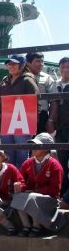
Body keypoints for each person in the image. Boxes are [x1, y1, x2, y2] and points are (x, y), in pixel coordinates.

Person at [10, 133, 65, 237]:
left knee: (32, 197)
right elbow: (22, 181)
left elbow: (55, 190)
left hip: (50, 199)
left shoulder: (55, 165)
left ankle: (36, 226)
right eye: (33, 145)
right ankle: (26, 225)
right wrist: (19, 186)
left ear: (47, 148)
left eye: (37, 145)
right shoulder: (27, 163)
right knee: (17, 196)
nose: (33, 148)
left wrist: (36, 191)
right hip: (32, 195)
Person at [0, 54, 39, 168]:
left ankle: (22, 183)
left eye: (14, 64)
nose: (11, 66)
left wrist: (31, 123)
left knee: (22, 156)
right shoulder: (5, 80)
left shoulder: (28, 80)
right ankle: (10, 182)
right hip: (6, 123)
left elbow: (36, 103)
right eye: (9, 64)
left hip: (22, 124)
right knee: (7, 155)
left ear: (22, 65)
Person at [25, 52, 57, 134]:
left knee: (39, 144)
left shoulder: (47, 78)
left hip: (42, 116)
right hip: (22, 115)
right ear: (28, 63)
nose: (41, 64)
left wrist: (50, 120)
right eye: (37, 61)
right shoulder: (20, 78)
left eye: (42, 61)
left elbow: (54, 101)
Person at [54, 57, 69, 195]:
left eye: (68, 67)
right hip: (60, 129)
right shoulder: (55, 84)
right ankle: (64, 193)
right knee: (62, 161)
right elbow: (54, 105)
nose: (65, 70)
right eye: (63, 67)